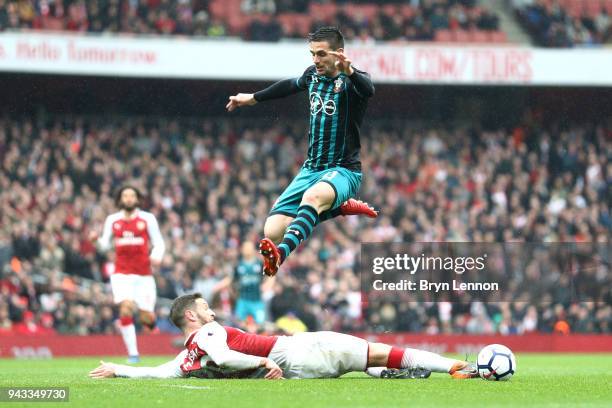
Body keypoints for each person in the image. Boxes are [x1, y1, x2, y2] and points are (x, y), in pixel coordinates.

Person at [226, 26, 378, 277]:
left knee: (313, 199)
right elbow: (289, 86)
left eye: (321, 54)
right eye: (312, 54)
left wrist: (349, 70)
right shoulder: (312, 76)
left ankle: (280, 256)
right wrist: (252, 97)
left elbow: (368, 88)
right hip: (311, 168)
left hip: (343, 170)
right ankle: (338, 207)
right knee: (273, 231)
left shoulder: (352, 82)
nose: (316, 60)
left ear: (338, 54)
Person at [89, 293, 478, 380]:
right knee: (382, 351)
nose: (212, 311)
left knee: (362, 364)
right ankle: (456, 367)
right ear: (191, 315)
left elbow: (158, 373)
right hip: (293, 351)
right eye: (206, 306)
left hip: (296, 369)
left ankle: (390, 375)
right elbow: (225, 357)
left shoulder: (187, 355)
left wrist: (117, 369)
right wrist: (261, 359)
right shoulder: (208, 333)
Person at [89, 185, 165, 363]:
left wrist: (156, 255)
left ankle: (149, 324)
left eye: (132, 195)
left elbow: (159, 242)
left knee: (147, 318)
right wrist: (95, 241)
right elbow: (105, 246)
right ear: (120, 199)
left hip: (144, 276)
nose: (129, 199)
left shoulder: (147, 218)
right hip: (121, 274)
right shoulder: (112, 220)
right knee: (126, 307)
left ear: (137, 199)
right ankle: (133, 354)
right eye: (125, 195)